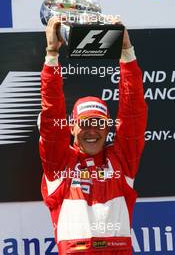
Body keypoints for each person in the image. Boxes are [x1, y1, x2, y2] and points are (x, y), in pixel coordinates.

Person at [39, 16, 147, 255]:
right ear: (72, 128)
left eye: (99, 124)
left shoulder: (121, 162)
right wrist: (51, 55)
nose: (92, 130)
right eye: (85, 123)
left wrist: (126, 52)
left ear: (107, 128)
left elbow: (134, 115)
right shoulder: (59, 164)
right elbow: (51, 115)